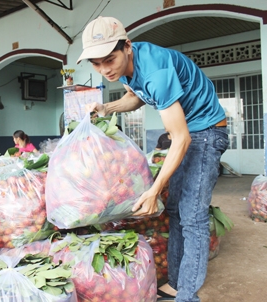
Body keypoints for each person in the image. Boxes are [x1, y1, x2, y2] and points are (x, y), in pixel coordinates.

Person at [79, 16, 229, 302]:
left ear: (127, 47)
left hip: (206, 133)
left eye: (109, 60)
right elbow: (135, 98)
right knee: (175, 211)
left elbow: (182, 138)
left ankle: (187, 295)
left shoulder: (156, 72)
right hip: (186, 133)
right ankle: (175, 282)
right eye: (96, 64)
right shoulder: (126, 68)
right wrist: (106, 108)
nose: (104, 69)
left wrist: (154, 189)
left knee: (193, 215)